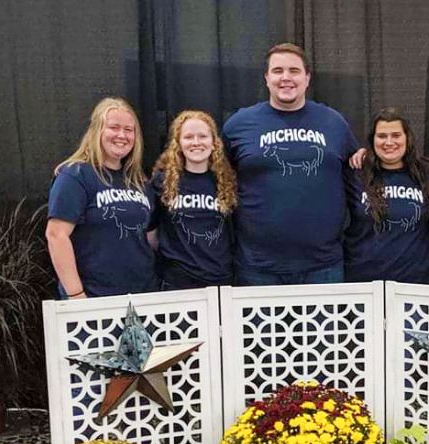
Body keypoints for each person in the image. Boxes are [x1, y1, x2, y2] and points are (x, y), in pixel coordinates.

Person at [222, 42, 359, 286]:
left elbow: (359, 172)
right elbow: (219, 179)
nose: (286, 78)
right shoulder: (238, 125)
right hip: (257, 268)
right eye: (277, 71)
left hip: (323, 267)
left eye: (294, 71)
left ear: (307, 78)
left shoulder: (334, 123)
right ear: (266, 78)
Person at [46, 97, 156, 298]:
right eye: (114, 127)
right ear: (97, 131)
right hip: (94, 297)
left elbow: (150, 237)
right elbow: (56, 235)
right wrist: (76, 295)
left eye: (129, 130)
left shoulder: (140, 182)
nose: (121, 135)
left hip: (142, 295)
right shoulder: (75, 175)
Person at [344, 107, 429, 283]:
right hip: (363, 284)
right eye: (382, 136)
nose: (389, 142)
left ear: (407, 137)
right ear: (372, 140)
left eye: (396, 135)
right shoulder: (355, 174)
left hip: (414, 285)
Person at [148, 110, 237, 289]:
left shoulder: (227, 181)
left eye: (203, 136)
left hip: (221, 280)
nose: (196, 142)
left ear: (214, 143)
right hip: (177, 282)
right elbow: (151, 233)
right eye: (188, 137)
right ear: (178, 144)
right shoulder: (162, 181)